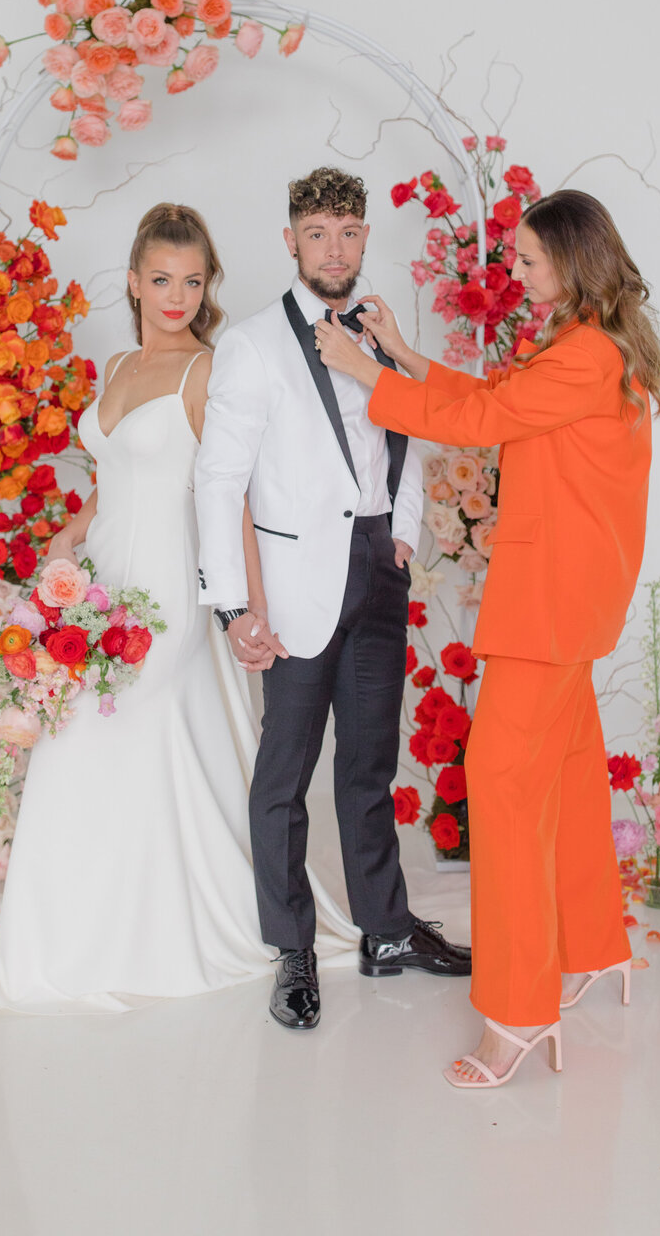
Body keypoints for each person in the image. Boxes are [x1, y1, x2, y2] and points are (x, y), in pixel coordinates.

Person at [314, 188, 660, 1086]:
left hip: (548, 610)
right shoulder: (586, 347)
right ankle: (595, 946)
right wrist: (400, 354)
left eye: (527, 261)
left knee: (505, 792)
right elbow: (502, 403)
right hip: (571, 606)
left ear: (573, 260)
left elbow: (479, 425)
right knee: (568, 780)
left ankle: (517, 1014)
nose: (512, 275)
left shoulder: (584, 353)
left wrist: (367, 376)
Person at [0, 203, 355, 1013]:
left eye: (193, 281)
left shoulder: (208, 370)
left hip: (169, 596)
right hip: (103, 585)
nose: (177, 296)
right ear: (133, 281)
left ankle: (139, 932)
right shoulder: (115, 364)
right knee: (79, 744)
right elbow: (114, 475)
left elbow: (235, 493)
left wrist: (251, 607)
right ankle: (80, 931)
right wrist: (70, 535)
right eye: (161, 279)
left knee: (113, 738)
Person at [196, 166, 472, 1032]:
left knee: (368, 765)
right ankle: (294, 949)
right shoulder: (249, 345)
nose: (334, 248)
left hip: (376, 566)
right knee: (285, 775)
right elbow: (218, 480)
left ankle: (386, 931)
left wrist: (402, 533)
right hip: (291, 584)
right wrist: (234, 606)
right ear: (289, 240)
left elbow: (413, 436)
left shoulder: (382, 329)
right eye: (317, 233)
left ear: (363, 238)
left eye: (348, 233)